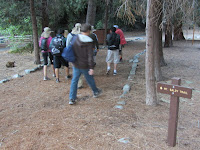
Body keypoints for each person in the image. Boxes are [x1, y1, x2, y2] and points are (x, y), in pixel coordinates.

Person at [69, 24, 102, 105]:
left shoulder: (75, 38)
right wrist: (91, 67)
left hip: (76, 64)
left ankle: (72, 98)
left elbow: (71, 49)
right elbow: (90, 56)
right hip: (85, 65)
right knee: (90, 79)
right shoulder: (89, 41)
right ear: (88, 31)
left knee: (74, 81)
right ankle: (95, 91)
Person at [66, 23, 84, 89]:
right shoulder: (82, 34)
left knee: (75, 67)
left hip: (73, 53)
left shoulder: (70, 35)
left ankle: (77, 82)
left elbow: (67, 45)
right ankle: (80, 82)